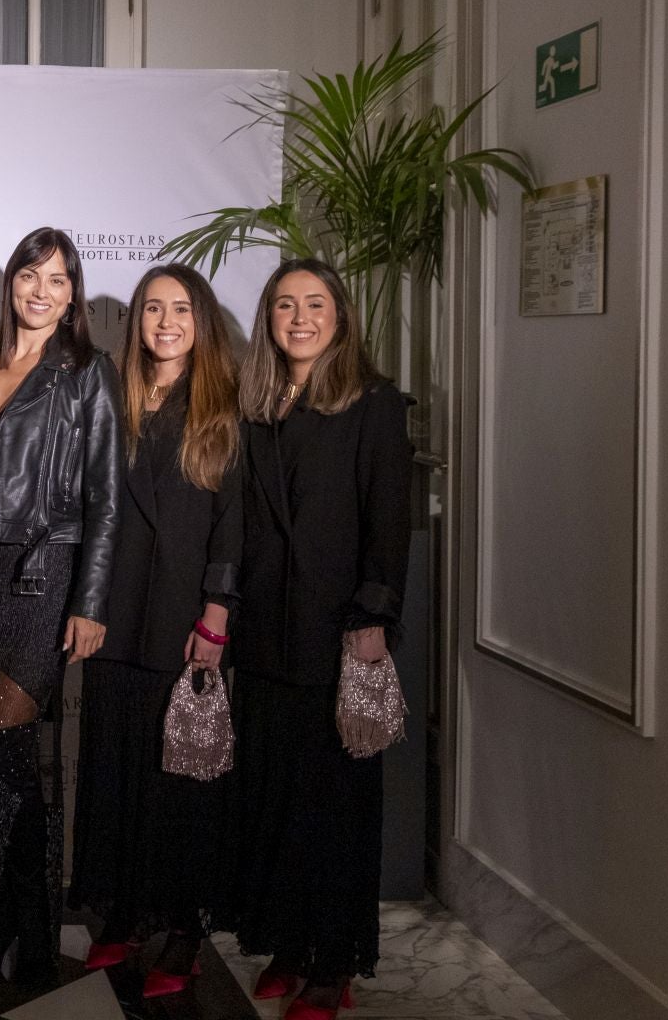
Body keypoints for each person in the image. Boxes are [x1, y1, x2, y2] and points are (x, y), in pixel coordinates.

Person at [0, 227, 122, 978]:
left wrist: (90, 601)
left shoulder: (85, 375)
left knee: (9, 750)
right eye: (30, 275)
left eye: (58, 279)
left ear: (73, 295)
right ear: (12, 282)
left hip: (41, 580)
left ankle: (11, 925)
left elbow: (105, 502)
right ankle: (17, 924)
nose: (41, 290)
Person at [227, 258, 413, 1020]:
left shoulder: (374, 404)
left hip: (338, 632)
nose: (298, 317)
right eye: (283, 306)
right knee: (278, 796)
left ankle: (335, 963)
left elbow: (387, 522)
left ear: (340, 315)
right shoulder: (260, 402)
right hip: (266, 631)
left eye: (314, 304)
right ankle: (292, 944)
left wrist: (372, 617)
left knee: (336, 806)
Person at [69, 263, 243, 1000]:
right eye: (151, 310)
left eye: (178, 310)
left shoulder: (223, 407)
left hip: (183, 617)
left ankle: (181, 931)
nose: (164, 322)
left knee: (180, 783)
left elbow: (234, 525)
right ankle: (122, 917)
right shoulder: (113, 397)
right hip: (114, 612)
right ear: (135, 323)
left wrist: (217, 616)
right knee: (115, 767)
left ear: (200, 321)